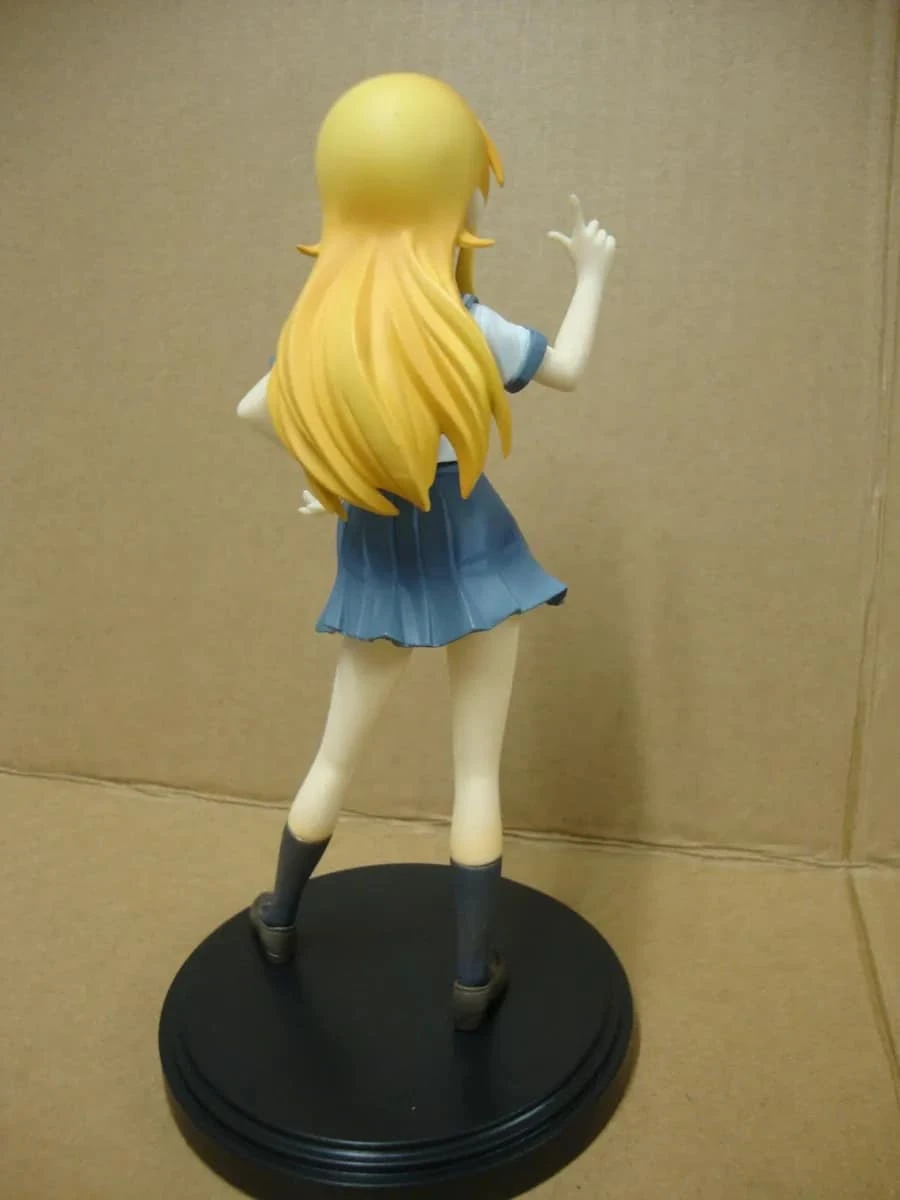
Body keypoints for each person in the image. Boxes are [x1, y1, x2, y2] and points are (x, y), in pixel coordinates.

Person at [236, 73, 616, 1031]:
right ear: (452, 206)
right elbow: (568, 369)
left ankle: (278, 915)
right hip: (476, 556)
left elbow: (255, 409)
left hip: (377, 562)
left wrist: (337, 474)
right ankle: (469, 975)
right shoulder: (467, 328)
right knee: (476, 773)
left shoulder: (322, 335)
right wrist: (592, 274)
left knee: (335, 757)